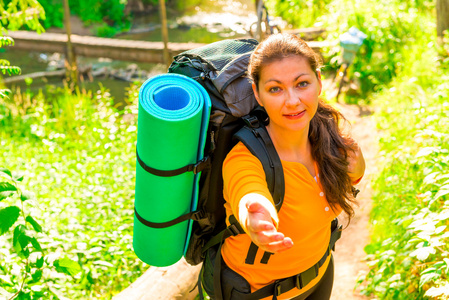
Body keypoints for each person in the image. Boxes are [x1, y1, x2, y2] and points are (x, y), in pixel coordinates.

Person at [201, 33, 365, 300]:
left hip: (320, 272)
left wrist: (354, 165)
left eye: (302, 84)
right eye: (275, 88)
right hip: (260, 293)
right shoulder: (245, 157)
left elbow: (354, 174)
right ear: (258, 93)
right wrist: (256, 217)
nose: (292, 101)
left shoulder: (329, 133)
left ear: (319, 81)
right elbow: (248, 190)